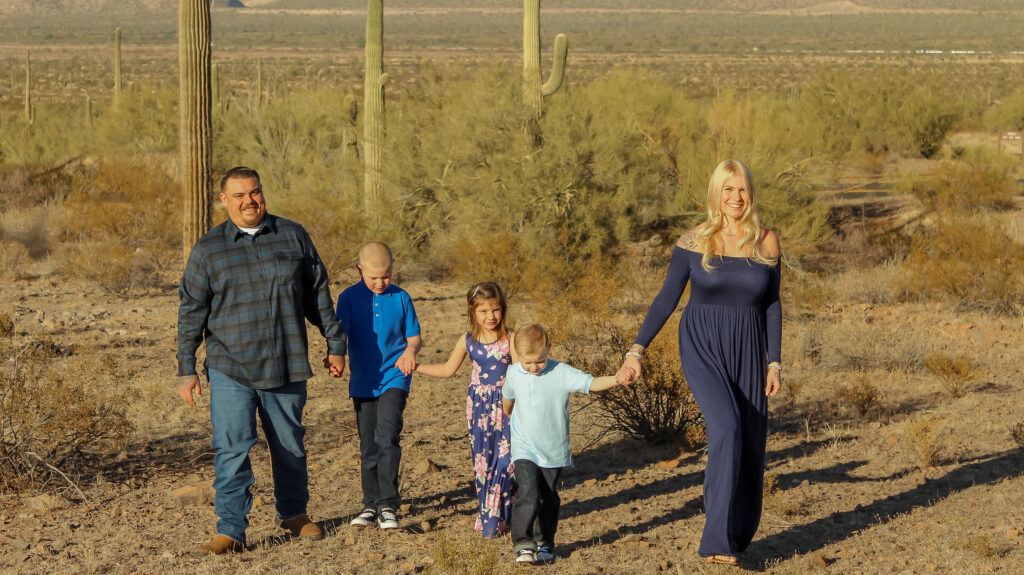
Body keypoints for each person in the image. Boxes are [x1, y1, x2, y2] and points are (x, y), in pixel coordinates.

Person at [617, 160, 782, 566]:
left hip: (749, 346)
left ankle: (736, 531)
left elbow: (773, 304)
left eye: (742, 190)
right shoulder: (694, 241)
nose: (736, 198)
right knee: (726, 427)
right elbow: (666, 298)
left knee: (748, 441)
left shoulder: (766, 241)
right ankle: (716, 541)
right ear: (716, 194)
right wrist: (636, 351)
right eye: (728, 190)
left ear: (751, 193)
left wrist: (774, 362)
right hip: (703, 343)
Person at [177, 166, 347, 555]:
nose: (248, 201)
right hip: (230, 366)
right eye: (238, 195)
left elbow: (318, 294)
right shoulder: (209, 248)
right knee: (233, 447)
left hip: (285, 361)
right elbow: (191, 310)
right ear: (223, 200)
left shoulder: (293, 235)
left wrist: (335, 342)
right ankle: (231, 531)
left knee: (290, 444)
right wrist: (186, 368)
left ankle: (293, 514)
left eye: (254, 192)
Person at [502, 323, 628, 565]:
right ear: (517, 355)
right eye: (528, 363)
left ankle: (545, 542)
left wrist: (616, 378)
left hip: (553, 449)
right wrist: (508, 416)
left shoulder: (561, 372)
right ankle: (523, 543)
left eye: (539, 361)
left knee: (548, 497)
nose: (533, 367)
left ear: (549, 349)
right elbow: (508, 398)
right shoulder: (514, 372)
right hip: (523, 446)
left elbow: (591, 383)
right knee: (527, 493)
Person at [415, 282, 517, 537]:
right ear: (472, 311)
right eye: (483, 311)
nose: (490, 317)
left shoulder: (511, 339)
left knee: (507, 462)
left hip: (508, 407)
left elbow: (524, 372)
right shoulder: (467, 340)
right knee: (483, 463)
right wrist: (416, 367)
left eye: (495, 310)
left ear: (503, 309)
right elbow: (448, 370)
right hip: (480, 410)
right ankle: (490, 518)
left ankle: (506, 513)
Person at [335, 241, 421, 530]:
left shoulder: (401, 297)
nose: (381, 282)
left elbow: (414, 336)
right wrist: (336, 357)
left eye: (386, 275)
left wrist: (410, 352)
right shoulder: (347, 298)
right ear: (360, 269)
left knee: (387, 438)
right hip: (362, 382)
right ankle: (370, 505)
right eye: (374, 277)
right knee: (369, 445)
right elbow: (340, 336)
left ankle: (388, 503)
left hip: (395, 377)